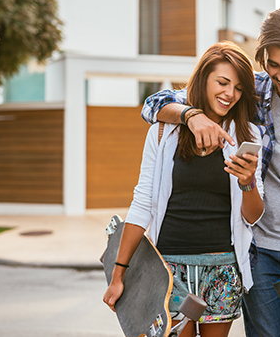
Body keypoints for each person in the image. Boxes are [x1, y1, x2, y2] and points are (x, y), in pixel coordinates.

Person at [141, 7, 280, 337]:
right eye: (273, 65)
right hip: (260, 255)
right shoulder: (251, 91)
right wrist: (191, 115)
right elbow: (154, 105)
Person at [103, 41, 265, 337]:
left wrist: (248, 182)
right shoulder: (164, 132)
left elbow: (253, 216)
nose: (230, 94)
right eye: (223, 82)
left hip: (222, 270)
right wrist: (118, 274)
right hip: (169, 270)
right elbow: (142, 204)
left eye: (238, 88)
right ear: (204, 79)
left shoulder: (247, 134)